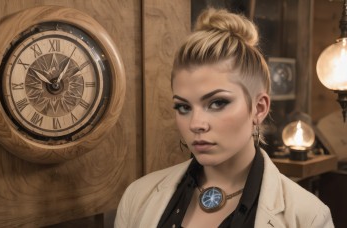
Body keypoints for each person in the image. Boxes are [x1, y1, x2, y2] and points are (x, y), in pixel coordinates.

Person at [115, 7, 334, 228]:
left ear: (259, 109)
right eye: (183, 107)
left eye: (218, 103)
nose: (195, 124)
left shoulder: (308, 217)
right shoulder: (137, 197)